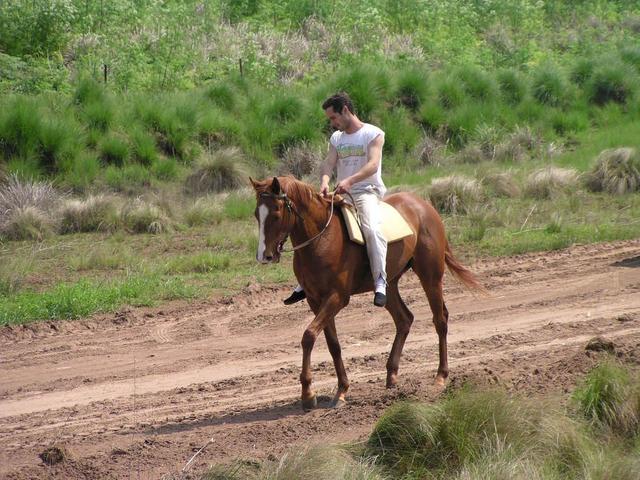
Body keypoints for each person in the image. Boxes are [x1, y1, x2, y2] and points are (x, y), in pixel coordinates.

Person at [284, 92, 388, 307]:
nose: (332, 123)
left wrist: (350, 181)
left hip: (365, 191)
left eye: (333, 118)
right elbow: (329, 164)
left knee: (371, 229)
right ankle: (304, 282)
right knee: (311, 223)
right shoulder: (337, 139)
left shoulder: (373, 133)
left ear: (345, 111)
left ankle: (380, 281)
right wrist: (324, 181)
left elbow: (373, 165)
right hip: (340, 192)